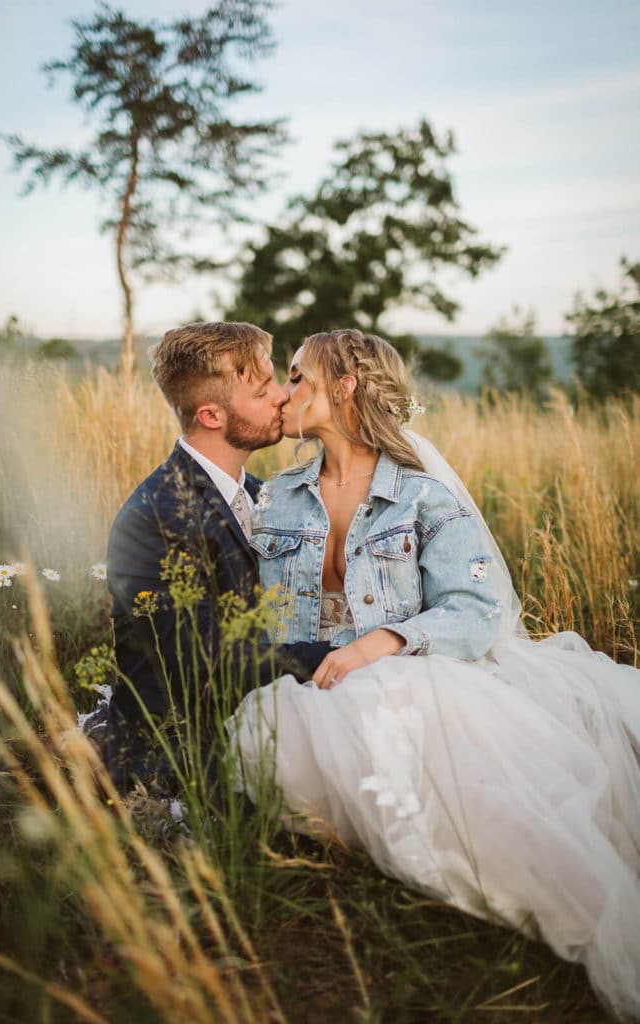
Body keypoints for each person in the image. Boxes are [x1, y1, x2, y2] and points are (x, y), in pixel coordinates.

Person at [229, 328, 640, 1020]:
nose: (283, 392)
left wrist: (381, 643)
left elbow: (476, 608)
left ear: (345, 386)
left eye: (296, 377)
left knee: (414, 733)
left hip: (405, 666)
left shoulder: (421, 498)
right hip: (306, 675)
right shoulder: (275, 498)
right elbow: (250, 608)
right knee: (279, 726)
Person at [105, 321, 332, 793]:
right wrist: (338, 656)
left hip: (263, 710)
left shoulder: (259, 493)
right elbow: (206, 663)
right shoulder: (155, 517)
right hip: (188, 753)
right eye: (262, 389)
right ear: (211, 416)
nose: (281, 398)